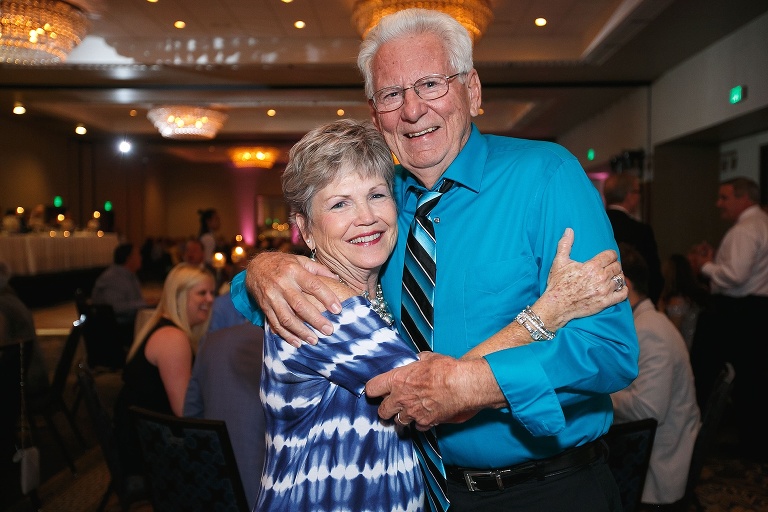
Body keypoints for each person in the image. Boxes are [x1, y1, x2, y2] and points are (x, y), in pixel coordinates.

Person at [234, 9, 638, 512]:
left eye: (430, 84)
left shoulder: (546, 176)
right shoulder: (382, 204)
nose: (412, 110)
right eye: (391, 94)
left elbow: (610, 351)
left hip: (542, 491)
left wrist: (475, 385)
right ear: (374, 111)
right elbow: (293, 305)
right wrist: (260, 269)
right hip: (422, 492)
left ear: (472, 90)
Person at [611, 244, 701, 508]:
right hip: (654, 447)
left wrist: (599, 393)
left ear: (623, 284)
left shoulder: (650, 331)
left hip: (658, 462)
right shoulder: (649, 323)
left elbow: (646, 410)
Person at [687, 176, 768, 461]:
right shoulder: (763, 223)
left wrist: (704, 265)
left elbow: (735, 276)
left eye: (724, 197)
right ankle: (753, 440)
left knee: (737, 376)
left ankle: (745, 444)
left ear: (743, 197)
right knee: (756, 376)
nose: (718, 204)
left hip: (740, 313)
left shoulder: (745, 230)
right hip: (758, 310)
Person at [113, 263, 215, 478]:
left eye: (211, 293)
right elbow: (185, 412)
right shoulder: (173, 338)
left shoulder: (163, 326)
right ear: (179, 296)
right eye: (202, 293)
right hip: (147, 450)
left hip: (143, 435)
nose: (210, 300)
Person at [183, 322, 266, 510]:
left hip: (209, 484)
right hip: (270, 493)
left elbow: (190, 417)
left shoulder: (212, 341)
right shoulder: (302, 346)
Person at [604, 172, 664, 305]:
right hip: (632, 303)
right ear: (629, 195)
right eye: (637, 192)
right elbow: (654, 276)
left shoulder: (595, 226)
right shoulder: (641, 231)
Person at [91, 243, 151, 345]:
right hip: (115, 329)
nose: (141, 258)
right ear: (129, 259)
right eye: (138, 255)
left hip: (124, 324)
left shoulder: (129, 275)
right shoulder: (113, 278)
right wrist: (143, 303)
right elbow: (115, 307)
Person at [657, 253, 709, 351]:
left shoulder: (677, 302)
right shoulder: (697, 295)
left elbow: (671, 334)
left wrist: (661, 310)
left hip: (684, 351)